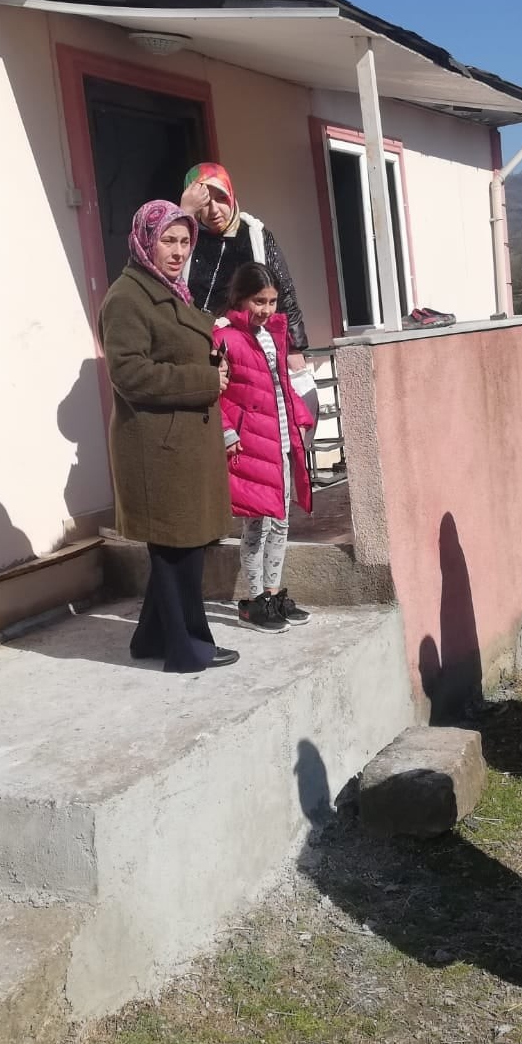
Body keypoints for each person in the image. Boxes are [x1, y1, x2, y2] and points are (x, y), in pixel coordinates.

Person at [99, 199, 240, 673]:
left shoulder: (171, 292)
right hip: (158, 448)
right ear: (145, 240)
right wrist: (202, 381)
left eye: (184, 242)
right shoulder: (127, 298)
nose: (178, 251)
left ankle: (152, 637)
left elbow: (179, 349)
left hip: (181, 443)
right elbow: (130, 373)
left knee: (184, 546)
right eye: (168, 241)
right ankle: (188, 648)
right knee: (177, 552)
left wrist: (212, 365)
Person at [213, 262, 317, 633]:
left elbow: (280, 386)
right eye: (260, 300)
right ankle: (254, 600)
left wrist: (300, 417)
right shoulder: (222, 337)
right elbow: (216, 393)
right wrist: (227, 433)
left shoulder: (273, 335)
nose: (267, 309)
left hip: (280, 441)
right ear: (240, 297)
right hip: (250, 444)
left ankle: (272, 596)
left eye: (272, 301)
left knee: (281, 521)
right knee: (255, 526)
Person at [180, 162, 310, 368]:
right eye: (204, 202)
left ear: (231, 195)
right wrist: (183, 213)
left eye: (221, 198)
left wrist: (295, 348)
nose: (214, 210)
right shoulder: (185, 238)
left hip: (246, 347)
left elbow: (283, 291)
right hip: (197, 347)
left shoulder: (254, 235)